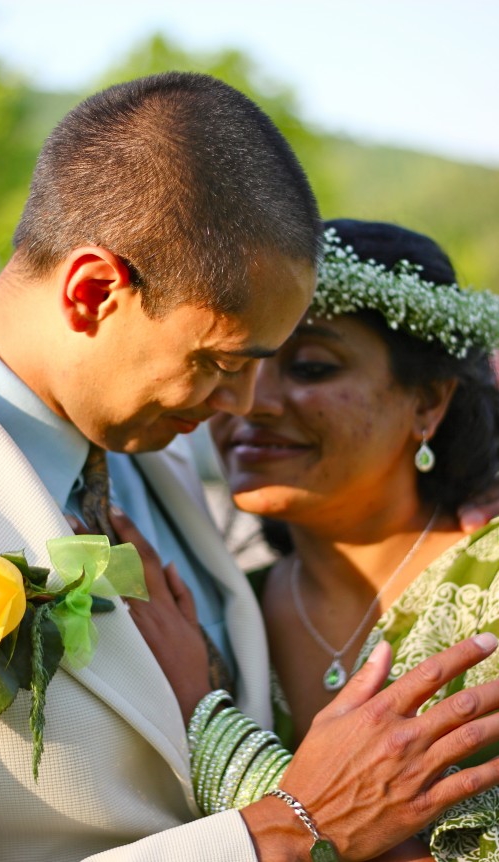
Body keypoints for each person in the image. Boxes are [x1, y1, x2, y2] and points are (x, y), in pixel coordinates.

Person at [0, 70, 499, 862]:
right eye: (223, 363)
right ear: (93, 293)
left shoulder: (149, 436)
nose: (244, 407)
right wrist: (284, 831)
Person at [200, 219, 499, 860]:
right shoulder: (218, 605)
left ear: (428, 403)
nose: (253, 402)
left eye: (310, 366)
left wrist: (218, 746)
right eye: (241, 361)